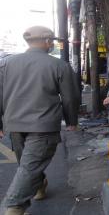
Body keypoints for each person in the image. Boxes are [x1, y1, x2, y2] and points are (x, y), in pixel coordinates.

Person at [0, 26, 79, 215]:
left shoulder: (7, 63)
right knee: (30, 166)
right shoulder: (59, 65)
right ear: (47, 42)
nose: (52, 44)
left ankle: (39, 186)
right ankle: (14, 207)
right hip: (43, 125)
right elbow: (70, 98)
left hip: (15, 124)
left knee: (27, 164)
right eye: (52, 41)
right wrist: (71, 121)